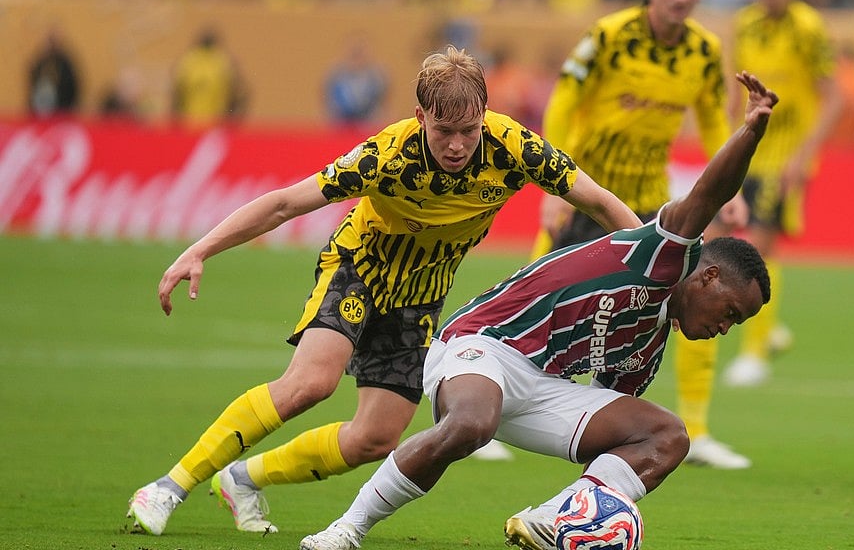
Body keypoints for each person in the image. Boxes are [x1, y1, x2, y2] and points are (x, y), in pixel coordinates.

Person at [125, 45, 641, 537]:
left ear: (486, 112)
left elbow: (597, 201)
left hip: (420, 295)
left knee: (375, 438)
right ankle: (168, 487)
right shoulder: (387, 156)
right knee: (311, 384)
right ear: (420, 117)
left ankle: (242, 479)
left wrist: (649, 261)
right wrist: (200, 250)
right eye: (444, 131)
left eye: (468, 130)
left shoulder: (515, 148)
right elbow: (285, 204)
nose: (458, 145)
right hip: (359, 267)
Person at [298, 70, 776, 550]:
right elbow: (710, 194)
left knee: (667, 435)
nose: (724, 327)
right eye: (731, 312)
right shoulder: (661, 253)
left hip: (544, 390)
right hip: (482, 346)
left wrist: (599, 508)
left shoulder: (646, 349)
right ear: (709, 277)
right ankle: (346, 529)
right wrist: (751, 131)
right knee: (470, 425)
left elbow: (611, 433)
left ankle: (556, 522)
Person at [524, 0, 754, 470]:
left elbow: (714, 115)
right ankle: (495, 403)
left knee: (698, 298)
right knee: (536, 303)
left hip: (650, 206)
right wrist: (555, 181)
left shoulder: (705, 51)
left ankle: (699, 427)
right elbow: (564, 102)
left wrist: (726, 188)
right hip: (585, 193)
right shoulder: (607, 35)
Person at [721, 0, 845, 387]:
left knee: (760, 244)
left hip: (784, 156)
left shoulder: (808, 28)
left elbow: (834, 96)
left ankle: (755, 353)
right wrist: (726, 143)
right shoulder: (744, 24)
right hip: (749, 148)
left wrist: (804, 154)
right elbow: (733, 92)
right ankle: (768, 330)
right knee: (720, 238)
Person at [170, 27, 248, 127]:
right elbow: (241, 93)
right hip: (216, 125)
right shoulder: (224, 61)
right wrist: (233, 119)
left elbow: (176, 93)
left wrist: (175, 120)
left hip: (188, 124)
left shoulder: (187, 61)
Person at [324, 40, 388, 125]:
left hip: (368, 122)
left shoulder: (377, 76)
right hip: (342, 122)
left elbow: (383, 101)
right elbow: (330, 100)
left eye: (360, 53)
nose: (357, 57)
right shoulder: (335, 75)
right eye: (354, 53)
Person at [27, 28, 81, 117]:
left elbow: (72, 85)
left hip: (62, 110)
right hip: (40, 112)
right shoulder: (41, 62)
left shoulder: (65, 63)